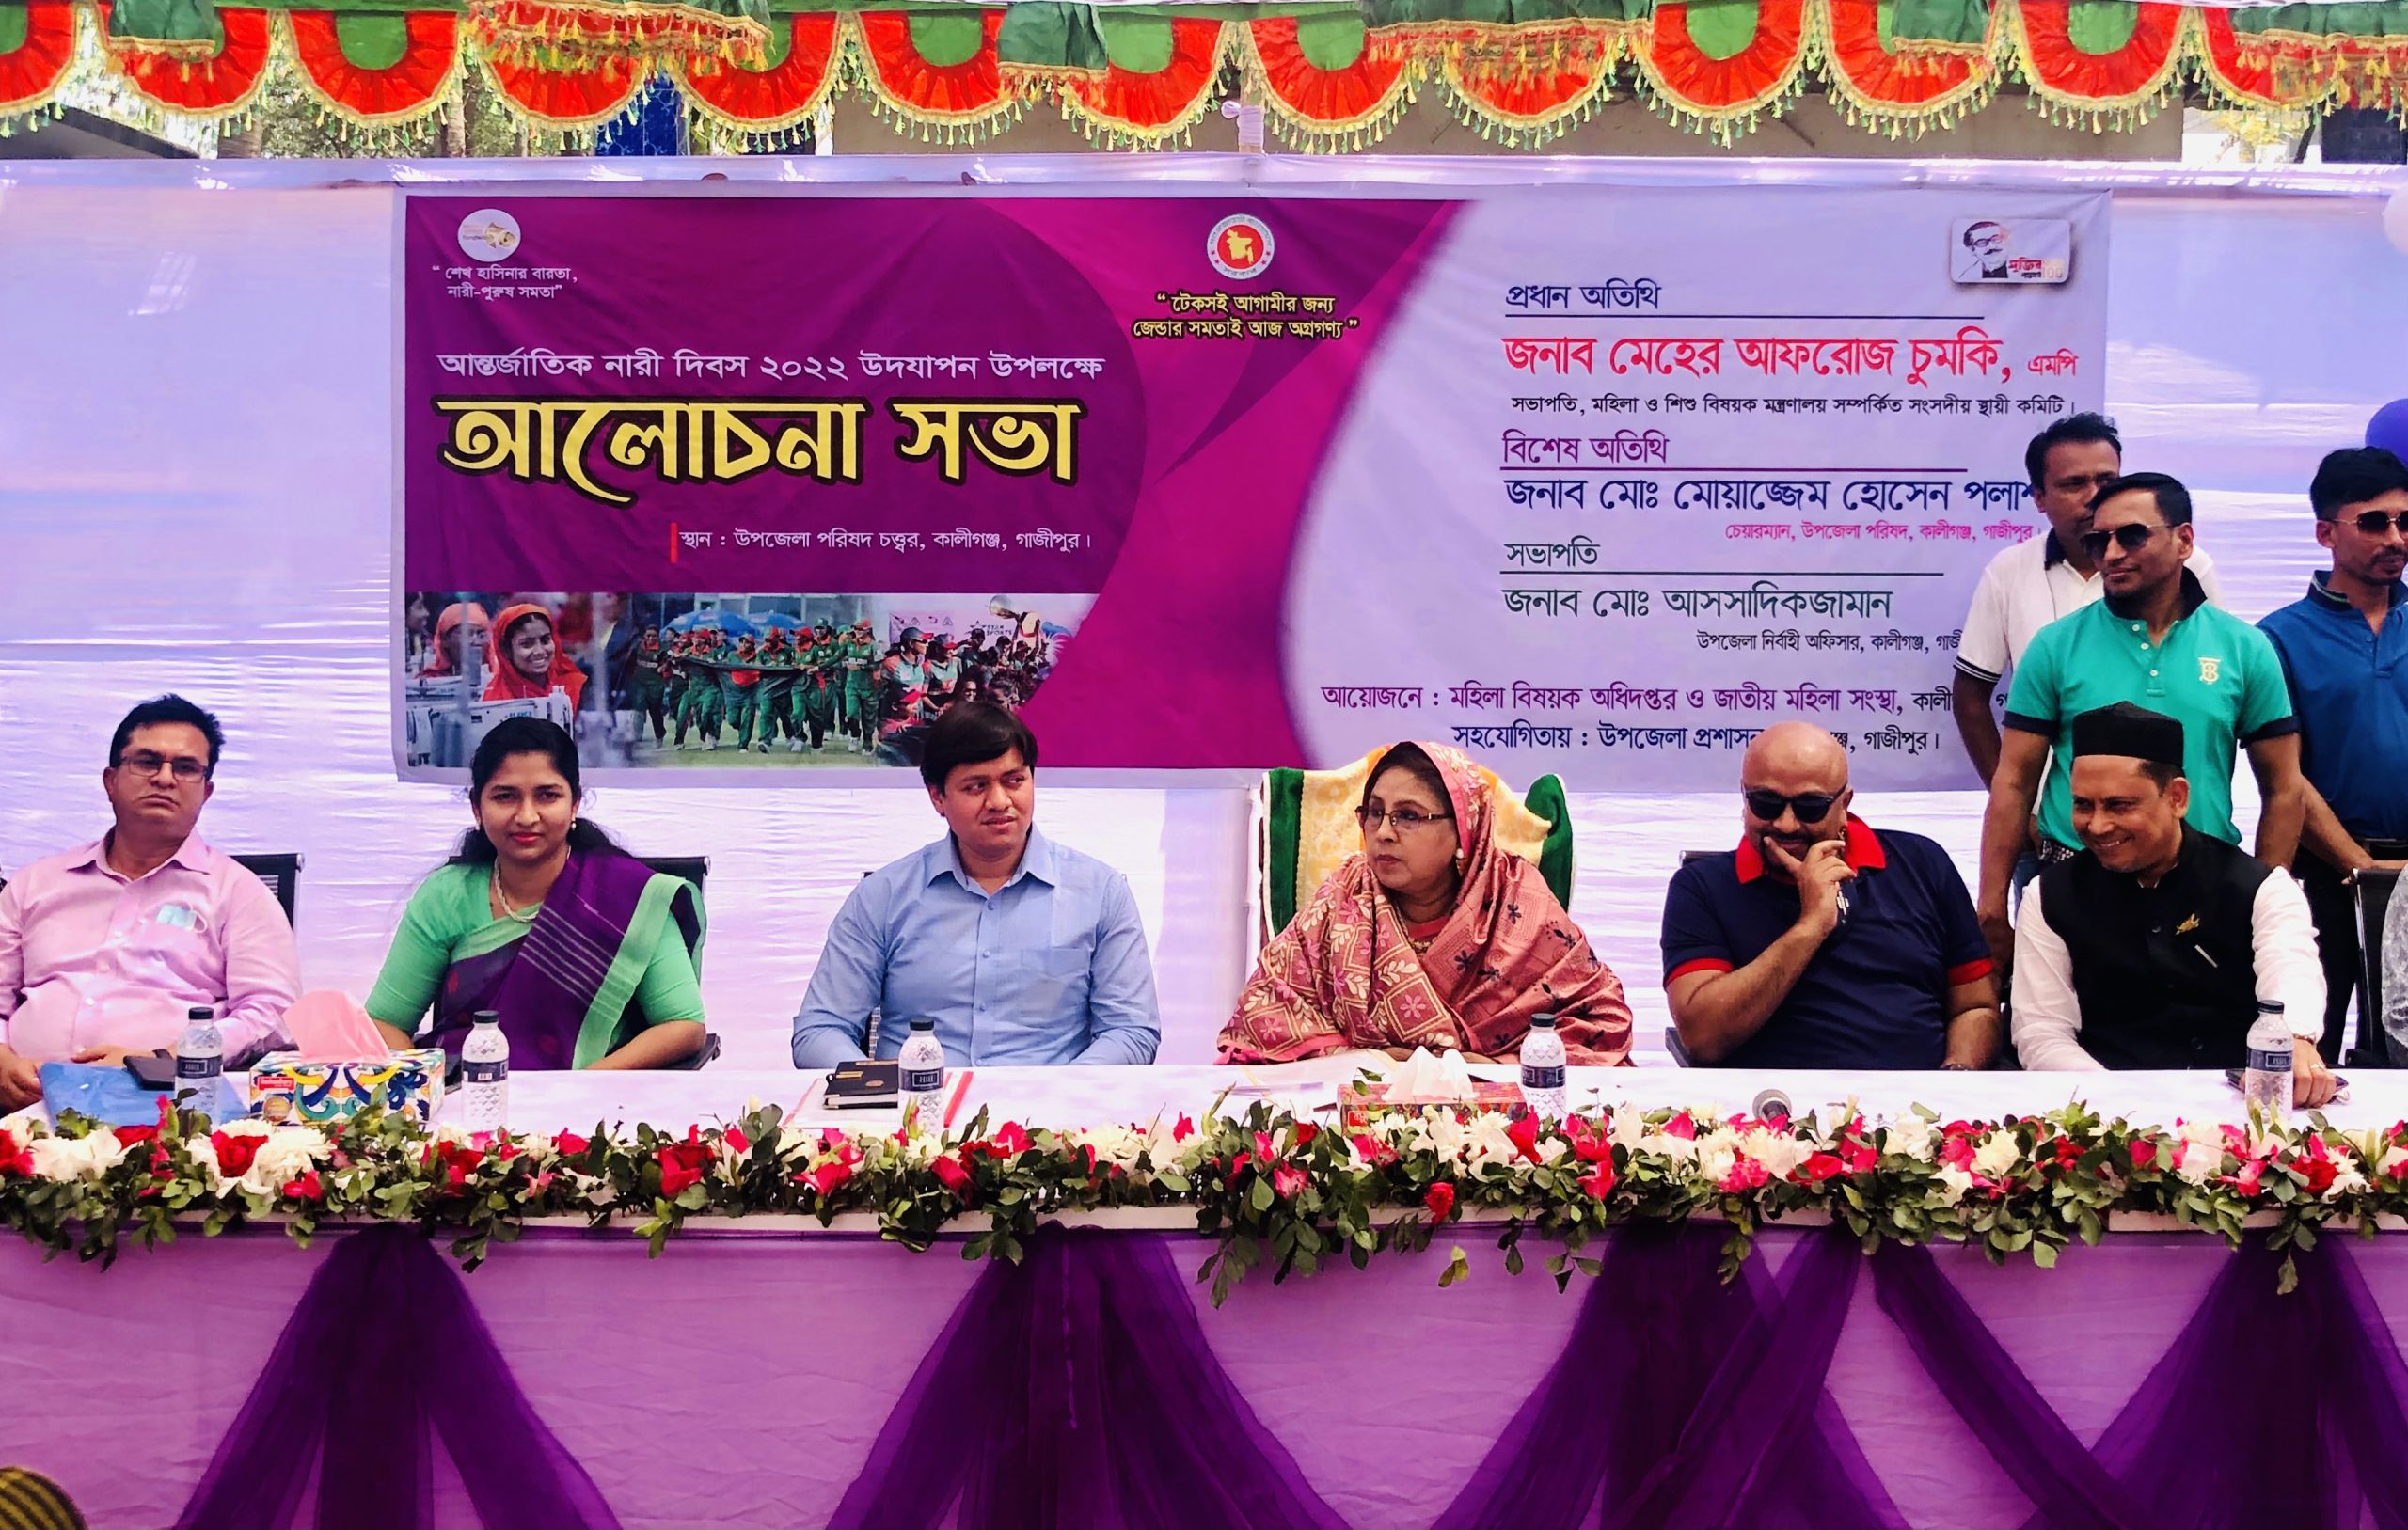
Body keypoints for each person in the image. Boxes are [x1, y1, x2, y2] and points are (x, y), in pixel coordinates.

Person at [1977, 472, 2305, 970]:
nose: (2110, 554)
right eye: (2098, 541)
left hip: (2205, 886)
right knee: (2058, 1018)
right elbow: (2014, 782)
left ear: (2184, 540)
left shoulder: (2243, 648)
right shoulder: (2055, 645)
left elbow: (2283, 787)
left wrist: (2264, 898)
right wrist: (1991, 906)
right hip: (2078, 882)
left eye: (2131, 536)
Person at [791, 703, 1159, 1066]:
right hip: (915, 1101)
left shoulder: (1100, 893)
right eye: (976, 786)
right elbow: (820, 1029)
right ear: (938, 797)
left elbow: (1130, 1030)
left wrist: (1062, 1092)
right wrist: (876, 1090)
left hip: (1049, 1103)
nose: (999, 802)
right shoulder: (883, 896)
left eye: (1014, 781)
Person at [1221, 741, 1634, 1065]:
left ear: (1463, 831)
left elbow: (1602, 1023)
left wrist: (1497, 1067)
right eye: (1374, 813)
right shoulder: (1344, 900)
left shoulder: (1518, 901)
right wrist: (1362, 1061)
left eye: (1408, 816)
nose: (1383, 832)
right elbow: (1262, 1018)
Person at [2012, 703, 2332, 1101]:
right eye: (2083, 805)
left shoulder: (2260, 888)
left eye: (2119, 805)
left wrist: (2295, 1040)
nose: (2097, 825)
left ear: (2177, 798)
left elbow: (2292, 971)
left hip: (2240, 1109)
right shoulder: (2049, 896)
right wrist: (2119, 1105)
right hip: (2103, 1111)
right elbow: (2041, 1033)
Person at [0, 696, 300, 1108]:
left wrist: (164, 1060)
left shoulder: (239, 893)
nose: (164, 778)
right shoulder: (35, 884)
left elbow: (271, 1013)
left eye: (186, 768)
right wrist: (2, 1061)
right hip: (24, 1105)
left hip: (166, 1108)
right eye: (146, 762)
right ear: (110, 781)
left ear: (206, 791)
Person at [367, 718, 705, 1069]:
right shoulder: (446, 896)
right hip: (466, 1094)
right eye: (505, 796)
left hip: (592, 1098)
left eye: (547, 795)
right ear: (477, 808)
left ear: (574, 805)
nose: (527, 816)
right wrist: (429, 1084)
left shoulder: (629, 896)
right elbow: (384, 1021)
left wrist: (583, 1085)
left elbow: (683, 1024)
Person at [1661, 722, 1998, 1069]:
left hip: (1917, 1096)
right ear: (1744, 797)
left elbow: (1975, 1006)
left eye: (1810, 807)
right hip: (1770, 1098)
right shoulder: (1702, 887)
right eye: (1766, 804)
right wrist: (1811, 927)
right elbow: (1703, 1038)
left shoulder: (1921, 864)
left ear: (1844, 804)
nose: (1787, 824)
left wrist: (1955, 1076)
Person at [1955, 415, 2224, 792]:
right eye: (2074, 484)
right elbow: (1970, 697)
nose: (2094, 496)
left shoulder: (2185, 564)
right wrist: (2012, 797)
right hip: (2056, 815)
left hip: (2171, 810)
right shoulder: (2009, 571)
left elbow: (2216, 678)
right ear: (2039, 498)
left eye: (2106, 481)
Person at [2258, 447, 2408, 1060]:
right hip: (2325, 875)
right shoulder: (2278, 637)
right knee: (2304, 1041)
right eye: (2373, 522)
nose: (2395, 537)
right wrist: (2359, 867)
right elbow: (2284, 777)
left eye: (2405, 521)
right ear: (2326, 533)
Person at [483, 603, 587, 708]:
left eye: (545, 640)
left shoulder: (579, 688)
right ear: (506, 650)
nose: (539, 651)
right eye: (527, 644)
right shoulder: (494, 702)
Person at [418, 600, 490, 680]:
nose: (476, 642)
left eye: (481, 634)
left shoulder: (496, 677)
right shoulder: (429, 681)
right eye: (466, 634)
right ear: (445, 640)